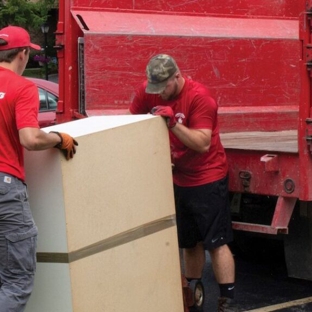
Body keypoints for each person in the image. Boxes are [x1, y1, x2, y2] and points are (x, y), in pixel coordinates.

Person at [128, 54, 239, 312]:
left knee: (216, 242)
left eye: (164, 87)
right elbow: (129, 122)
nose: (159, 94)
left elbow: (201, 143)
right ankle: (192, 295)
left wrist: (173, 124)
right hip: (177, 176)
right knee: (189, 242)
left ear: (177, 76)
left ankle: (228, 300)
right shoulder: (149, 90)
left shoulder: (200, 97)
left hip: (207, 176)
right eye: (154, 88)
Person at [0, 25, 78, 311]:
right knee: (16, 281)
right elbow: (31, 139)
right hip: (4, 189)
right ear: (22, 54)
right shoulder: (22, 87)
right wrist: (58, 139)